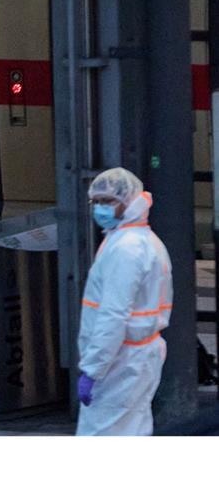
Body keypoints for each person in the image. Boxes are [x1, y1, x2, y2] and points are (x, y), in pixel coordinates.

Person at [77, 167, 173, 435]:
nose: (100, 208)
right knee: (132, 429)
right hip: (135, 358)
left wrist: (94, 369)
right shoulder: (140, 241)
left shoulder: (126, 249)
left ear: (129, 201)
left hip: (120, 362)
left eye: (108, 201)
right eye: (96, 202)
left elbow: (112, 315)